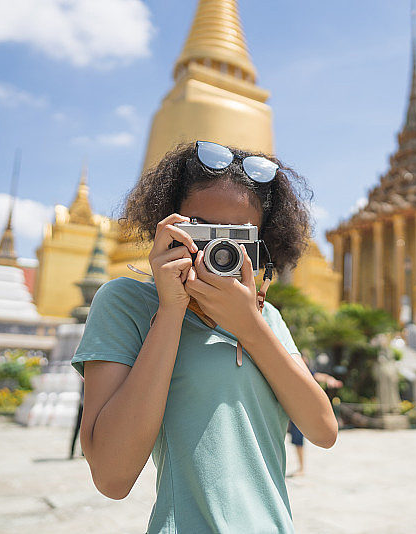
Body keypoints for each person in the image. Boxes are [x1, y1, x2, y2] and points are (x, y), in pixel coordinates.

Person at [71, 141, 338, 533]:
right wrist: (171, 309)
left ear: (261, 245)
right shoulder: (127, 303)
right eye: (201, 230)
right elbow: (112, 478)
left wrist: (249, 325)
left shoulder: (267, 318)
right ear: (169, 226)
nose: (217, 249)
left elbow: (323, 430)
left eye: (236, 236)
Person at [287, 355, 343, 476]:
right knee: (295, 440)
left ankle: (301, 467)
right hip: (292, 410)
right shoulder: (290, 370)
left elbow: (319, 376)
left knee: (298, 438)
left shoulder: (306, 372)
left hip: (301, 412)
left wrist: (330, 379)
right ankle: (300, 467)